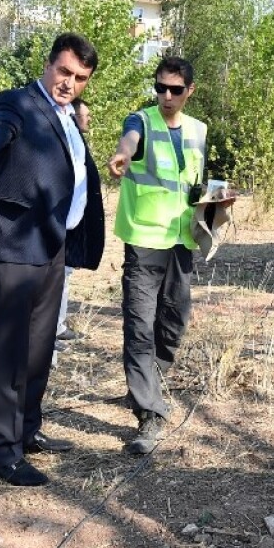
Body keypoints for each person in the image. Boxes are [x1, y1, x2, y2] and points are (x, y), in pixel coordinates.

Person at [0, 33, 104, 487]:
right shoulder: (17, 101)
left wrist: (78, 124)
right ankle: (0, 453)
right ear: (48, 64)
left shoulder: (69, 115)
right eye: (63, 72)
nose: (69, 83)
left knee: (40, 347)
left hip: (52, 245)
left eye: (80, 78)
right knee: (8, 349)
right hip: (13, 245)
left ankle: (26, 431)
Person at [107, 57, 206, 455]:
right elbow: (130, 140)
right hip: (145, 239)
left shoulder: (199, 130)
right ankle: (149, 412)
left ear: (189, 91)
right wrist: (123, 153)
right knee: (139, 324)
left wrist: (214, 201)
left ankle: (151, 378)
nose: (166, 96)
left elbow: (193, 181)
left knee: (175, 319)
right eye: (160, 88)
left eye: (175, 90)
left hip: (183, 239)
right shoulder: (141, 121)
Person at [55, 98, 92, 352]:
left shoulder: (77, 141)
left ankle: (56, 328)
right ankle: (51, 333)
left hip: (71, 222)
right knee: (56, 277)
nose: (88, 120)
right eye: (84, 116)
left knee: (64, 275)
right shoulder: (64, 140)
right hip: (56, 224)